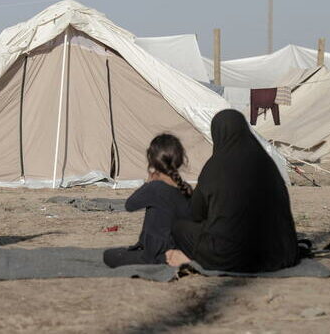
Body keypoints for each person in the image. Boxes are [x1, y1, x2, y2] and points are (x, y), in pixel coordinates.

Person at [166, 109, 299, 273]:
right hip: (279, 254)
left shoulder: (215, 167)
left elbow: (196, 213)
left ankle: (194, 259)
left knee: (179, 227)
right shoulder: (267, 163)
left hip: (233, 256)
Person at [103, 134, 194, 267]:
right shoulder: (186, 188)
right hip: (178, 247)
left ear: (153, 161)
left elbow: (130, 205)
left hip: (156, 253)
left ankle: (161, 259)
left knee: (110, 255)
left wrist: (148, 182)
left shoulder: (155, 187)